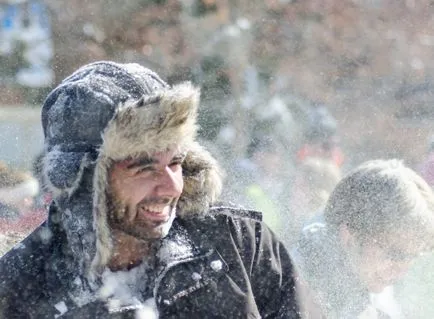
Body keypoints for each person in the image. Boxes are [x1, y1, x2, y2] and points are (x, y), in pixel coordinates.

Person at [0, 61, 300, 318]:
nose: (171, 186)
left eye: (176, 162)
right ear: (87, 180)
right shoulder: (18, 287)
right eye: (144, 168)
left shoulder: (239, 244)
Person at [291, 159, 434, 318]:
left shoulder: (361, 290)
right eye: (395, 254)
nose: (402, 269)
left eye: (412, 256)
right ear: (349, 237)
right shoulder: (295, 293)